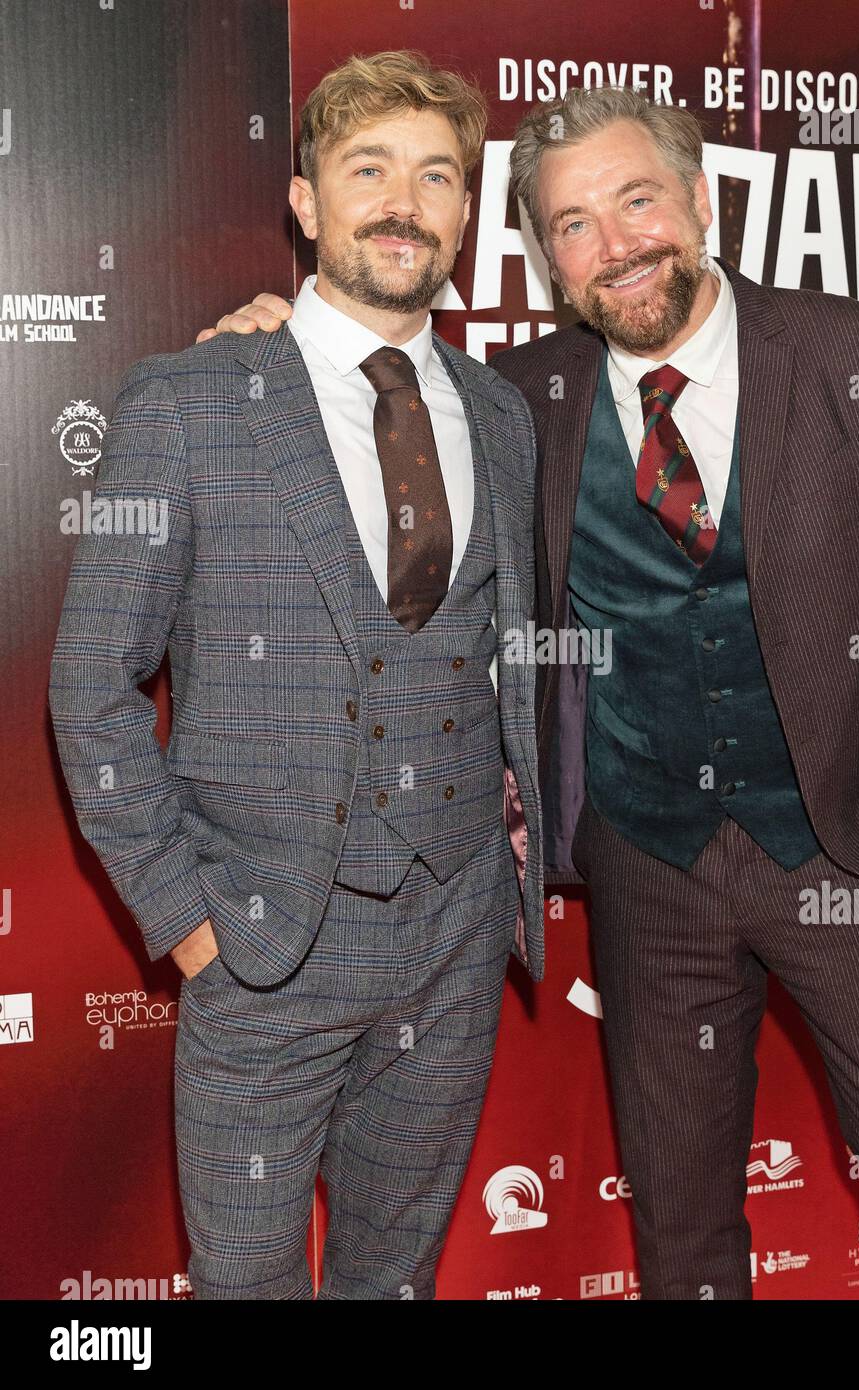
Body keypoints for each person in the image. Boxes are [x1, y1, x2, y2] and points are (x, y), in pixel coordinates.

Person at [197, 84, 859, 1300]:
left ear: (698, 201)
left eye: (637, 200)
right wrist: (266, 357)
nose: (617, 242)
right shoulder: (521, 399)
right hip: (651, 874)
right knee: (684, 1236)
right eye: (574, 224)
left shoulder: (854, 352)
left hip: (858, 861)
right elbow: (368, 396)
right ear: (545, 259)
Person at [49, 50, 542, 1301]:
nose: (403, 202)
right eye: (366, 168)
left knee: (396, 1281)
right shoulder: (186, 402)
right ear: (306, 202)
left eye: (437, 175)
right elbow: (93, 686)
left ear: (467, 212)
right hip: (263, 947)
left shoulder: (500, 415)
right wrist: (190, 922)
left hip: (455, 934)